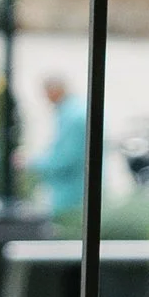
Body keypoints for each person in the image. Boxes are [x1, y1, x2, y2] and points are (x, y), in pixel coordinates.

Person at [32, 74, 89, 225]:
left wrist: (32, 163)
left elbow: (65, 158)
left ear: (54, 91)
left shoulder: (73, 116)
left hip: (72, 194)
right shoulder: (73, 111)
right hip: (73, 191)